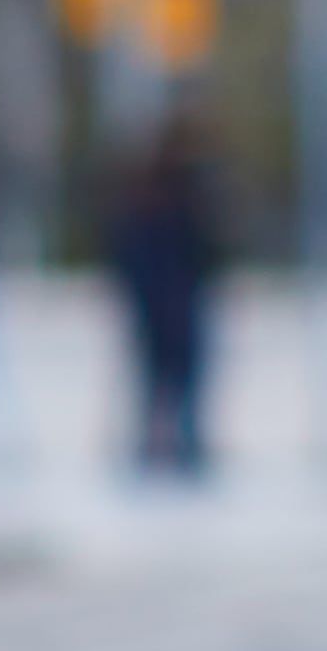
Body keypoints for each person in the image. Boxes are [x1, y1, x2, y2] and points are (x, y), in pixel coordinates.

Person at [104, 119, 219, 481]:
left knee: (170, 382)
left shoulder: (183, 199)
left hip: (172, 306)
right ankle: (165, 448)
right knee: (163, 381)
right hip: (164, 307)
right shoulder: (162, 203)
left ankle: (174, 447)